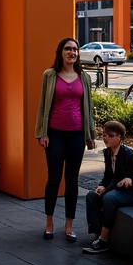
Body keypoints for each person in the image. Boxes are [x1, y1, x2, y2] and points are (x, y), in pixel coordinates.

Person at [35, 37, 96, 242]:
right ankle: (49, 223)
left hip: (77, 135)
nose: (72, 52)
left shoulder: (84, 77)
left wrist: (90, 135)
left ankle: (69, 226)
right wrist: (42, 133)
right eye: (68, 49)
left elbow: (88, 107)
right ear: (60, 52)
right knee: (54, 179)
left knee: (72, 181)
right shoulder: (50, 75)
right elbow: (43, 106)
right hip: (54, 134)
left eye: (75, 50)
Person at [83, 120, 133, 254]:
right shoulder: (108, 153)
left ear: (119, 137)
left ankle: (104, 240)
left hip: (132, 193)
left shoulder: (129, 154)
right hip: (116, 190)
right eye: (103, 135)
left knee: (109, 198)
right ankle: (96, 234)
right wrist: (102, 185)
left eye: (110, 135)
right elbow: (108, 175)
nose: (105, 138)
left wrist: (131, 179)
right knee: (92, 196)